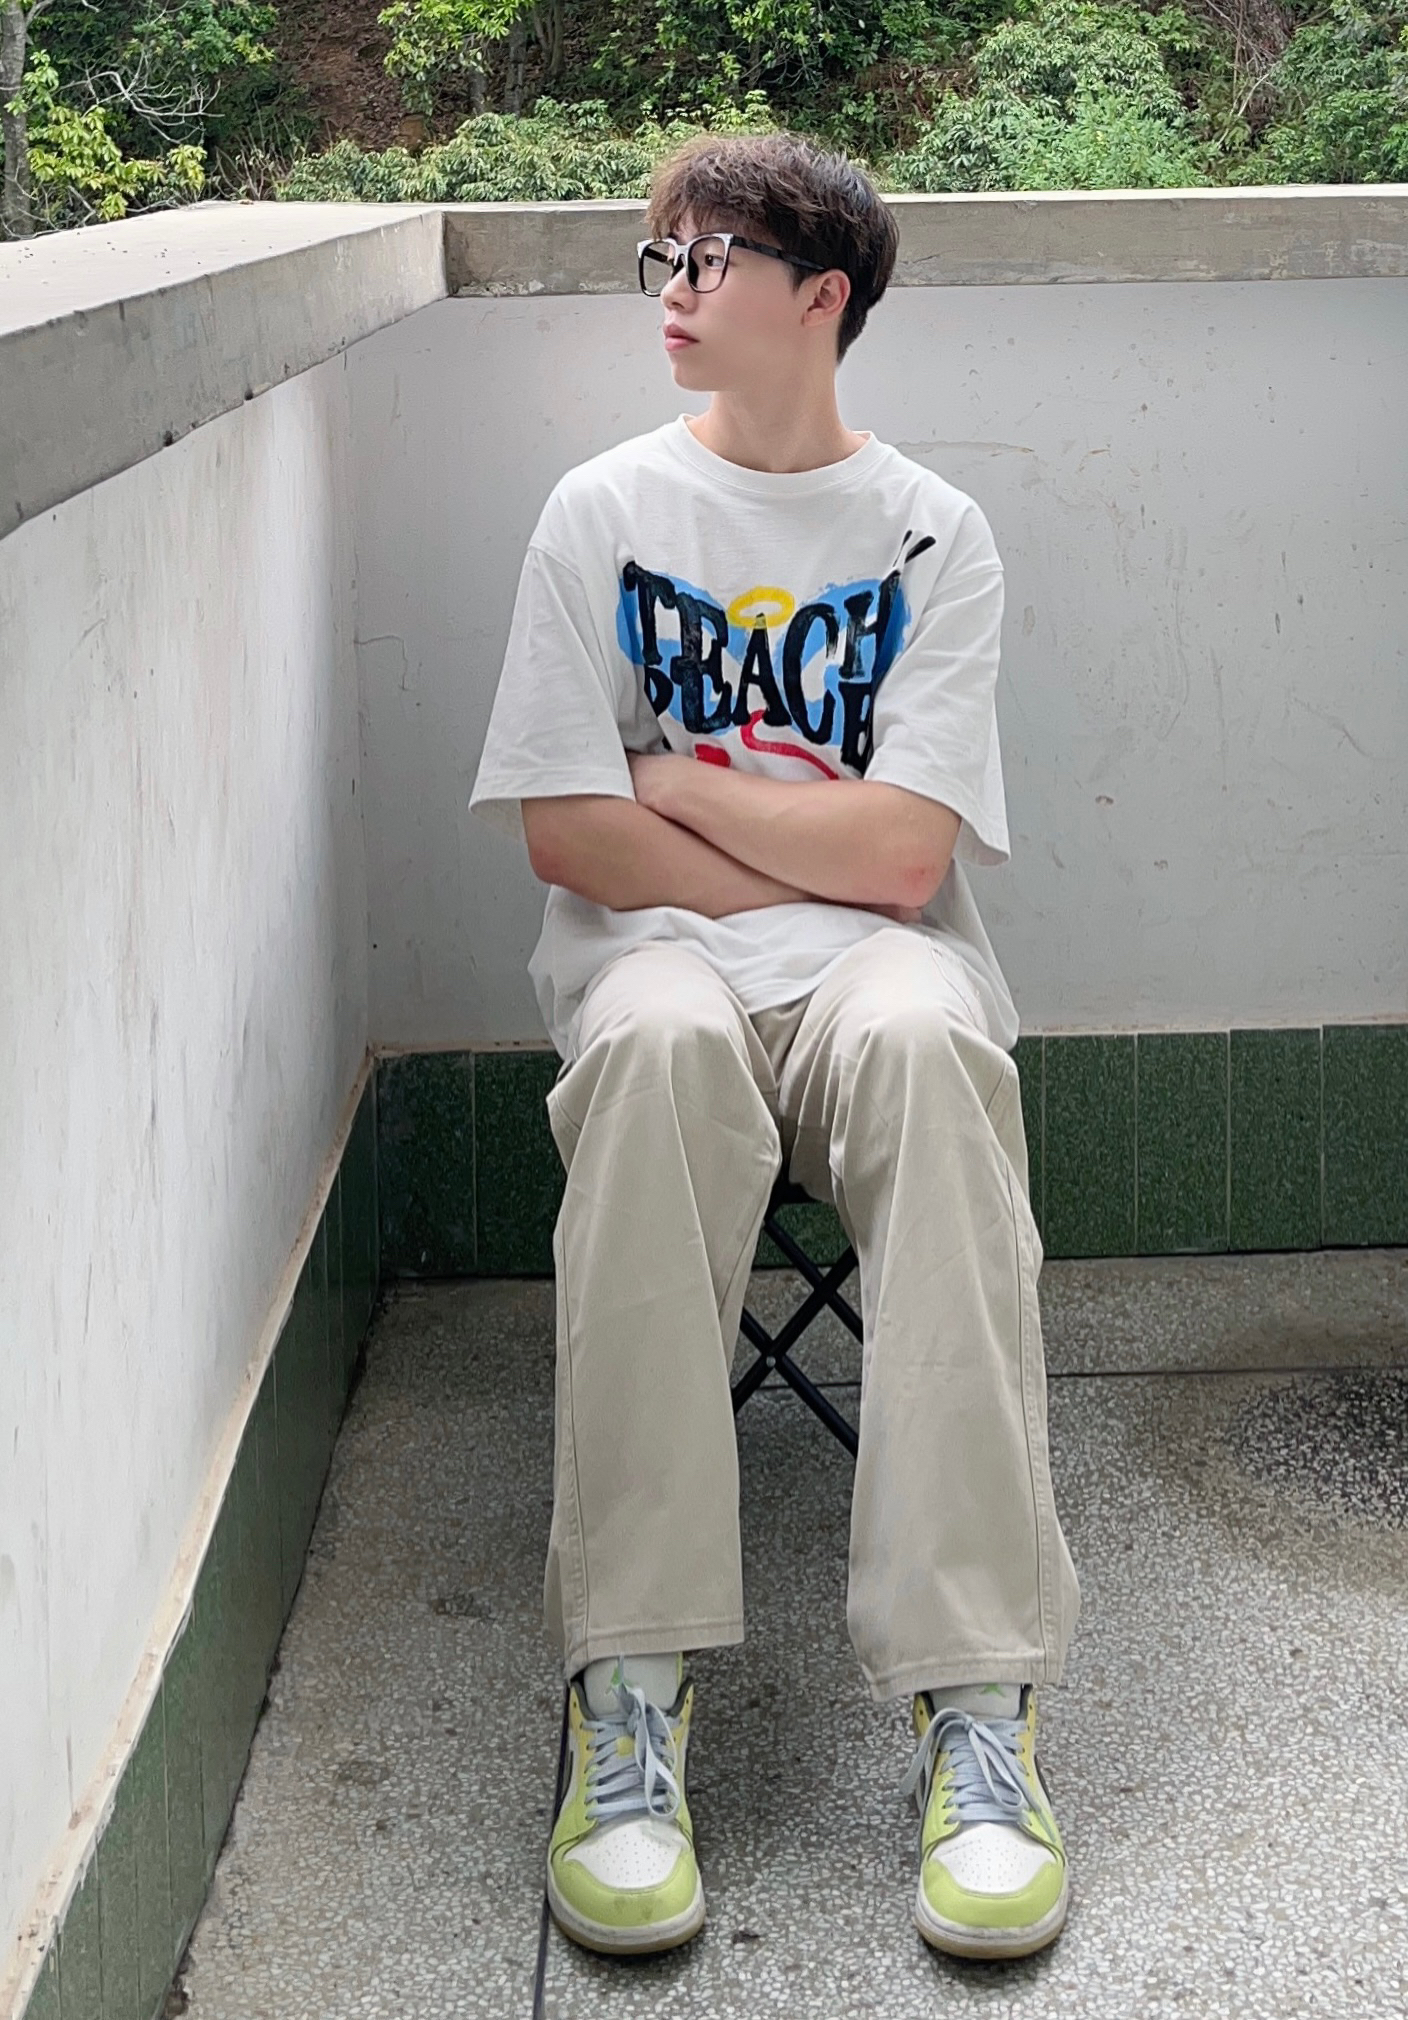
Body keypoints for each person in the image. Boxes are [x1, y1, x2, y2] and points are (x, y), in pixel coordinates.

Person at [468, 128, 1081, 1965]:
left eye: (708, 258)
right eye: (657, 257)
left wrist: (676, 783)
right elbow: (565, 836)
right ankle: (629, 1694)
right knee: (657, 1047)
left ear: (824, 295)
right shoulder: (600, 513)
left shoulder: (932, 534)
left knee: (933, 1052)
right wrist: (784, 844)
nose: (672, 291)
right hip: (651, 970)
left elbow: (906, 861)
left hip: (880, 972)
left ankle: (979, 1708)